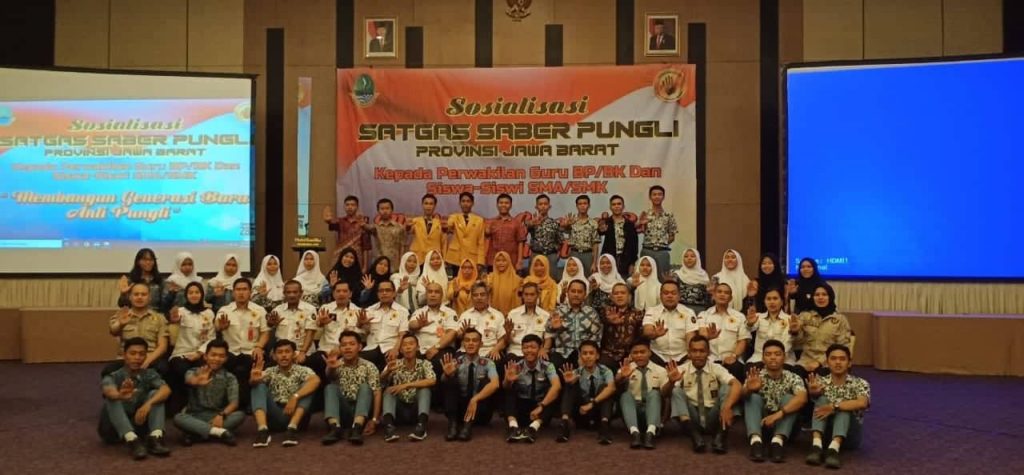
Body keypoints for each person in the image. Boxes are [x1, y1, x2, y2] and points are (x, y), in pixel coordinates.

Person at [98, 337, 172, 460]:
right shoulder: (113, 374)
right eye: (132, 353)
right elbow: (108, 391)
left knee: (156, 394)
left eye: (141, 354)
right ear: (124, 355)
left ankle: (155, 438)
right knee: (112, 399)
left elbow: (166, 390)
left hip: (138, 423)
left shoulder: (149, 373)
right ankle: (131, 440)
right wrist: (120, 395)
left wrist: (148, 404)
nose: (137, 357)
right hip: (112, 429)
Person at [667, 335, 742, 453]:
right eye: (694, 351)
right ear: (689, 353)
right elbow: (664, 393)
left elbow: (737, 384)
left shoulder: (716, 368)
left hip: (714, 416)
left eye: (702, 351)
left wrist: (727, 407)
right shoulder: (681, 369)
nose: (698, 354)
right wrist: (670, 382)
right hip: (692, 417)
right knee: (676, 391)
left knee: (727, 388)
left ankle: (720, 437)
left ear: (708, 353)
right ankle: (695, 437)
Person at [805, 344, 871, 469]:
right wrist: (813, 393)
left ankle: (834, 450)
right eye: (833, 359)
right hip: (825, 434)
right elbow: (814, 401)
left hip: (850, 436)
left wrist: (834, 406)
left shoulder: (860, 383)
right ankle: (816, 446)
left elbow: (862, 403)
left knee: (843, 407)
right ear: (827, 363)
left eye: (842, 359)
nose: (838, 362)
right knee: (821, 399)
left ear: (849, 363)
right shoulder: (820, 382)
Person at [742, 339, 807, 463]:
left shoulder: (793, 377)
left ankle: (777, 442)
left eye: (777, 354)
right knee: (752, 397)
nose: (773, 357)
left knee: (790, 398)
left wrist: (778, 414)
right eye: (768, 354)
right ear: (762, 358)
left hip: (785, 426)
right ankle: (755, 442)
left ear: (784, 357)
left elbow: (802, 398)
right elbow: (742, 396)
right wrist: (749, 390)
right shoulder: (756, 376)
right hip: (761, 424)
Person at [172, 339, 244, 446]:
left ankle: (195, 434)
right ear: (205, 356)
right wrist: (196, 381)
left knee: (240, 415)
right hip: (194, 415)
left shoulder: (230, 377)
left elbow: (234, 403)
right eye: (213, 355)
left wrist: (221, 415)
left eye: (221, 356)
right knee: (178, 418)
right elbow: (189, 380)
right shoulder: (193, 371)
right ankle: (219, 432)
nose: (217, 359)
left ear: (226, 358)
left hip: (217, 416)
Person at [249, 339, 320, 448]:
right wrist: (253, 380)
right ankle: (262, 431)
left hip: (297, 416)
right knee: (258, 386)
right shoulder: (270, 371)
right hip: (276, 415)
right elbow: (254, 384)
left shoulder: (302, 370)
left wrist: (295, 397)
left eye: (287, 351)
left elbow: (316, 380)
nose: (284, 355)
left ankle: (292, 430)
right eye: (280, 352)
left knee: (309, 386)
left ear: (294, 354)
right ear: (274, 356)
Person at [214, 278, 269, 410]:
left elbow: (265, 333)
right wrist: (220, 327)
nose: (241, 293)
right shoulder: (224, 310)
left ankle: (248, 403)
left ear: (250, 292)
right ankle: (233, 403)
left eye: (244, 289)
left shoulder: (260, 310)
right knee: (231, 365)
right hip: (230, 352)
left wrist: (259, 347)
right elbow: (215, 328)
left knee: (251, 364)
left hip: (251, 351)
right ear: (233, 292)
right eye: (238, 289)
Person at [320, 331, 382, 446]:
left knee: (365, 387)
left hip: (363, 411)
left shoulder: (369, 366)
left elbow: (377, 392)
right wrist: (331, 368)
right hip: (344, 410)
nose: (347, 348)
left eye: (352, 344)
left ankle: (357, 428)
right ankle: (334, 428)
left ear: (360, 347)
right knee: (330, 387)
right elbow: (330, 376)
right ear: (340, 348)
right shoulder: (336, 364)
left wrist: (374, 419)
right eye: (344, 345)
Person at [440, 329, 500, 441]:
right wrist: (447, 375)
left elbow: (495, 384)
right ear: (463, 343)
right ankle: (452, 425)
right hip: (459, 411)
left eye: (475, 340)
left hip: (480, 411)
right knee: (450, 380)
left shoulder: (488, 363)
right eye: (467, 340)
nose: (471, 343)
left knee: (485, 382)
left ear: (481, 344)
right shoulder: (456, 362)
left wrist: (475, 399)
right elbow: (443, 383)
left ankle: (467, 427)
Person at [502, 334, 561, 443]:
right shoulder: (516, 366)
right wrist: (508, 380)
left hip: (540, 409)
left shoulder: (548, 366)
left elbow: (557, 385)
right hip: (521, 407)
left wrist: (542, 406)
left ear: (540, 348)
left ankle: (533, 428)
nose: (529, 350)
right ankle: (513, 427)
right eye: (525, 347)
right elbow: (505, 387)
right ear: (521, 349)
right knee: (509, 392)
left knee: (554, 393)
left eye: (533, 347)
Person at [556, 340, 616, 444]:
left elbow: (612, 388)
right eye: (584, 353)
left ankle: (604, 428)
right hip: (581, 413)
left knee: (605, 388)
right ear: (580, 356)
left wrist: (592, 404)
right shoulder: (576, 372)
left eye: (591, 353)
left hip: (599, 413)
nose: (588, 356)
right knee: (570, 386)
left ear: (597, 356)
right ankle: (564, 424)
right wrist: (569, 383)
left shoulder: (605, 371)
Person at [167, 282, 215, 410]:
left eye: (197, 292)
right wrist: (174, 320)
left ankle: (201, 406)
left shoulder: (209, 313)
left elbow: (211, 337)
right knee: (182, 369)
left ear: (202, 295)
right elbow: (173, 320)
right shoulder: (180, 312)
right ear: (186, 295)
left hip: (201, 353)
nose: (194, 295)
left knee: (204, 370)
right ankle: (184, 405)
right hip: (181, 353)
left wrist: (199, 353)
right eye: (190, 293)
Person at [106, 283, 169, 377]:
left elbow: (162, 346)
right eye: (136, 294)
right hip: (126, 359)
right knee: (108, 372)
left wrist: (147, 360)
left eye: (143, 294)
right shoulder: (122, 315)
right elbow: (113, 331)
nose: (139, 297)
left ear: (149, 298)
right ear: (130, 297)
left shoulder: (160, 318)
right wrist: (121, 324)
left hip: (150, 357)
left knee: (165, 369)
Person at [380, 334, 435, 442]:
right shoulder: (394, 364)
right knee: (388, 391)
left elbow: (432, 380)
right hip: (399, 411)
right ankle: (389, 427)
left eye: (411, 344)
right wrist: (387, 372)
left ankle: (421, 427)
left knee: (425, 390)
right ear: (400, 350)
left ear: (418, 347)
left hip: (416, 410)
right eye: (404, 345)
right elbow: (380, 382)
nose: (408, 347)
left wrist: (405, 385)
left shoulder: (424, 363)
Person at [306, 281, 366, 381]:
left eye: (345, 291)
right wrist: (321, 324)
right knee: (314, 361)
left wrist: (359, 325)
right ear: (333, 294)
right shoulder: (325, 309)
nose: (341, 294)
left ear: (350, 294)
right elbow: (315, 333)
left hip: (347, 351)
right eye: (338, 291)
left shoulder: (358, 311)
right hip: (325, 349)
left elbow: (362, 336)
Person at [617, 339, 670, 450]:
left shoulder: (660, 370)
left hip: (653, 412)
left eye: (642, 352)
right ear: (631, 354)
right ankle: (634, 434)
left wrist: (672, 382)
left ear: (649, 352)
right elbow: (616, 384)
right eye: (635, 353)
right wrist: (621, 377)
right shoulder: (626, 368)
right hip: (633, 413)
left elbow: (666, 394)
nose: (639, 355)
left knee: (655, 393)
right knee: (625, 395)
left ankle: (650, 434)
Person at [793, 283, 852, 377]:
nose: (820, 297)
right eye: (817, 295)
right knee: (794, 377)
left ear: (830, 297)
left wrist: (819, 362)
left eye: (824, 294)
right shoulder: (805, 316)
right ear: (812, 297)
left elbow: (842, 347)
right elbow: (797, 344)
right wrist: (795, 332)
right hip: (805, 361)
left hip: (829, 362)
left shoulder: (840, 319)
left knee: (821, 377)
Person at [698, 283, 751, 382]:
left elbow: (742, 341)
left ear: (730, 298)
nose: (722, 294)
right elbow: (701, 337)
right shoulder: (704, 315)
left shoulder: (739, 317)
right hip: (709, 359)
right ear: (714, 295)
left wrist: (733, 356)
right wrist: (708, 337)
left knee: (737, 369)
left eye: (726, 293)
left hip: (732, 359)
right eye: (719, 292)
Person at [544, 279, 602, 369]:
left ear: (585, 294)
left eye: (579, 292)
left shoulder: (592, 313)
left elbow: (596, 337)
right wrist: (554, 328)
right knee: (550, 366)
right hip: (562, 352)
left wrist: (586, 354)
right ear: (567, 293)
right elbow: (548, 332)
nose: (576, 294)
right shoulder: (558, 312)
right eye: (573, 291)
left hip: (584, 353)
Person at [407, 281, 459, 377]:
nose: (433, 295)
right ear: (426, 295)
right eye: (430, 292)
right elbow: (411, 325)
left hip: (441, 349)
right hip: (420, 350)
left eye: (436, 292)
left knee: (440, 362)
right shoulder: (419, 312)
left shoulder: (450, 312)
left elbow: (452, 333)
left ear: (442, 295)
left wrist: (436, 347)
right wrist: (419, 324)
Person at [641, 281, 699, 366]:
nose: (670, 296)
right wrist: (655, 334)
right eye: (666, 293)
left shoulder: (688, 312)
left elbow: (690, 336)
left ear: (679, 296)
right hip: (657, 357)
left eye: (673, 293)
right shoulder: (651, 311)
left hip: (683, 358)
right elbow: (647, 331)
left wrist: (690, 355)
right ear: (660, 295)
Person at [362, 280, 410, 370]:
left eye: (388, 290)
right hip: (371, 348)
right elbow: (364, 334)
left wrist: (396, 350)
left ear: (394, 293)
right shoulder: (369, 310)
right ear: (377, 294)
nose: (384, 293)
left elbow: (402, 334)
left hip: (390, 348)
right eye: (381, 291)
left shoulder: (402, 311)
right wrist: (362, 324)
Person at [745, 288, 799, 368]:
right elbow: (750, 328)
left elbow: (787, 343)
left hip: (784, 358)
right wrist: (749, 324)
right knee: (749, 369)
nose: (772, 302)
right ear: (764, 302)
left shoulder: (789, 320)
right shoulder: (758, 317)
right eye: (768, 299)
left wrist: (775, 358)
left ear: (782, 302)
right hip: (759, 357)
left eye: (775, 298)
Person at [268, 280, 318, 365]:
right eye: (288, 292)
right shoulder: (277, 310)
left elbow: (310, 333)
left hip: (302, 351)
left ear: (301, 293)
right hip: (282, 352)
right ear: (284, 293)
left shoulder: (310, 309)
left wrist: (303, 352)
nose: (292, 295)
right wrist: (271, 324)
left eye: (295, 292)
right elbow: (269, 329)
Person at [457, 282, 507, 362]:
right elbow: (458, 337)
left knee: (498, 362)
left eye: (482, 295)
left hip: (489, 351)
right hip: (467, 351)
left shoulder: (498, 315)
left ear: (488, 297)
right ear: (472, 298)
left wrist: (496, 349)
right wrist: (463, 333)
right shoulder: (465, 315)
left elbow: (503, 340)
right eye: (475, 295)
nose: (479, 298)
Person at [599, 283, 644, 372]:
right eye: (616, 293)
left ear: (629, 296)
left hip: (630, 354)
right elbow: (601, 324)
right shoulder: (605, 311)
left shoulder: (638, 314)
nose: (619, 296)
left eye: (623, 293)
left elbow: (641, 336)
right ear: (612, 297)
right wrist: (610, 321)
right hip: (608, 354)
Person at [638, 186, 677, 281]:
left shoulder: (668, 215)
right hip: (647, 250)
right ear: (650, 197)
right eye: (654, 194)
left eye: (659, 194)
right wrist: (640, 223)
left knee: (663, 279)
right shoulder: (645, 214)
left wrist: (661, 244)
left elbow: (672, 236)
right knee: (644, 279)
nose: (657, 197)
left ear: (663, 197)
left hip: (662, 252)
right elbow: (639, 230)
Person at [323, 196, 371, 272]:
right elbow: (331, 222)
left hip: (357, 258)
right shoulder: (340, 221)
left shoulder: (363, 222)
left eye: (352, 205)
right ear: (344, 207)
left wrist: (365, 266)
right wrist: (327, 220)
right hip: (341, 256)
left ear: (357, 207)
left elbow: (366, 246)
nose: (350, 207)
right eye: (347, 205)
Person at [505, 282, 550, 360]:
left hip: (536, 353)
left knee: (544, 359)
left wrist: (544, 349)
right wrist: (508, 333)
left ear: (538, 295)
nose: (529, 297)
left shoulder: (545, 315)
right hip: (516, 351)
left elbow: (548, 338)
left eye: (532, 294)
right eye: (526, 294)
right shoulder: (513, 314)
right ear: (522, 295)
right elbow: (507, 342)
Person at [598, 194, 639, 279]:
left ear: (623, 206)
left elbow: (634, 245)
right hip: (608, 260)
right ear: (610, 207)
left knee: (624, 283)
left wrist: (632, 263)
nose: (616, 206)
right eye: (614, 204)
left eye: (619, 204)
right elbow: (600, 232)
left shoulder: (630, 224)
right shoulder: (606, 222)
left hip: (626, 260)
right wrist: (600, 230)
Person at [445, 192, 486, 274]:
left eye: (468, 201)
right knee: (456, 279)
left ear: (472, 203)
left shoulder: (479, 220)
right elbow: (449, 227)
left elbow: (481, 242)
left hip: (472, 257)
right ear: (459, 203)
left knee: (471, 281)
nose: (465, 204)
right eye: (463, 201)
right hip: (456, 257)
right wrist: (450, 223)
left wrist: (480, 261)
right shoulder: (454, 217)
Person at [485, 193, 528, 270]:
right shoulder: (490, 222)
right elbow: (485, 240)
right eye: (501, 203)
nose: (503, 205)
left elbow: (520, 243)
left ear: (510, 205)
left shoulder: (517, 223)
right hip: (493, 261)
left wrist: (519, 261)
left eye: (506, 203)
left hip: (511, 261)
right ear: (497, 205)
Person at [561, 194, 600, 274]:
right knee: (573, 276)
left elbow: (595, 244)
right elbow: (565, 231)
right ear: (577, 206)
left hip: (588, 254)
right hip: (574, 253)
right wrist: (567, 225)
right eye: (580, 204)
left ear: (589, 205)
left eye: (585, 203)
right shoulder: (572, 221)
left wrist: (594, 263)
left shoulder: (593, 223)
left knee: (588, 277)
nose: (582, 206)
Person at [526, 194, 563, 278]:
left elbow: (560, 240)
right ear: (536, 206)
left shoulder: (554, 223)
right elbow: (525, 230)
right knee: (534, 280)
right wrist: (532, 223)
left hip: (551, 256)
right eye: (540, 204)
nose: (543, 206)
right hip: (536, 255)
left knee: (552, 279)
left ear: (549, 206)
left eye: (545, 204)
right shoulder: (532, 222)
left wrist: (558, 254)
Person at [364, 198, 406, 267]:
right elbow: (366, 227)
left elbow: (402, 246)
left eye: (387, 208)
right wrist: (362, 224)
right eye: (382, 209)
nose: (385, 211)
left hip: (395, 264)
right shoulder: (375, 227)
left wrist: (401, 262)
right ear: (378, 211)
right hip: (379, 263)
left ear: (392, 210)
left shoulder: (399, 227)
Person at [408, 194, 446, 264]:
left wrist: (444, 259)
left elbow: (444, 243)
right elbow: (408, 231)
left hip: (434, 260)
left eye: (431, 204)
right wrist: (407, 227)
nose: (428, 206)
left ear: (435, 206)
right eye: (426, 203)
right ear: (422, 205)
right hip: (417, 259)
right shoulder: (415, 221)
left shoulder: (440, 223)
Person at [674, 247, 711, 314]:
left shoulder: (703, 275)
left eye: (692, 256)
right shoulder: (677, 275)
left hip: (700, 310)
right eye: (686, 256)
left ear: (697, 258)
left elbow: (707, 296)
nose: (689, 258)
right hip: (681, 309)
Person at [486, 251, 522, 316]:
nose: (501, 263)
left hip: (512, 315)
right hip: (493, 315)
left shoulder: (517, 279)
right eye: (498, 260)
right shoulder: (490, 278)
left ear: (509, 262)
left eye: (504, 260)